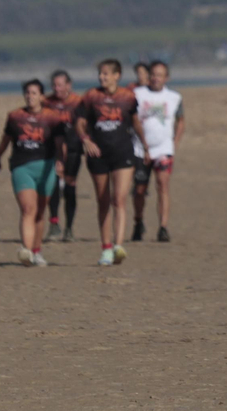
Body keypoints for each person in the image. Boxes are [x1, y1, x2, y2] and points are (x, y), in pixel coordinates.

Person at [74, 59, 148, 266]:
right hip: (98, 154)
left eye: (106, 74)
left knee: (119, 199)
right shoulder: (91, 96)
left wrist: (146, 147)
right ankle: (105, 247)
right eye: (100, 74)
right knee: (103, 200)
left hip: (123, 153)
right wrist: (85, 140)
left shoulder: (128, 97)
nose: (102, 77)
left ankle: (118, 246)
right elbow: (79, 123)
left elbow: (135, 124)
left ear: (117, 75)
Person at [0, 79, 62, 267]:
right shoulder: (15, 116)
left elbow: (59, 143)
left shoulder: (52, 117)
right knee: (28, 209)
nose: (30, 96)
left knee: (40, 212)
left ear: (41, 96)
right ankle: (26, 250)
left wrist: (61, 162)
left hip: (46, 167)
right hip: (21, 166)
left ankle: (36, 251)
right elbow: (6, 139)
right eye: (28, 93)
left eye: (34, 93)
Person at [131, 61, 185, 242]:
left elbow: (181, 121)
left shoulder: (174, 97)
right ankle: (138, 222)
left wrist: (174, 142)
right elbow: (131, 119)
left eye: (160, 75)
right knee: (139, 190)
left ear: (166, 78)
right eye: (153, 74)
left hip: (163, 149)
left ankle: (163, 226)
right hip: (140, 149)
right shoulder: (138, 94)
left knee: (163, 184)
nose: (155, 78)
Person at [42, 70, 84, 242]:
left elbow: (85, 125)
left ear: (68, 85)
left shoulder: (77, 102)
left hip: (74, 149)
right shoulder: (46, 102)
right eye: (54, 85)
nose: (56, 88)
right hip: (51, 150)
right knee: (52, 185)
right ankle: (54, 224)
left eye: (60, 85)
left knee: (70, 186)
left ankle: (69, 228)